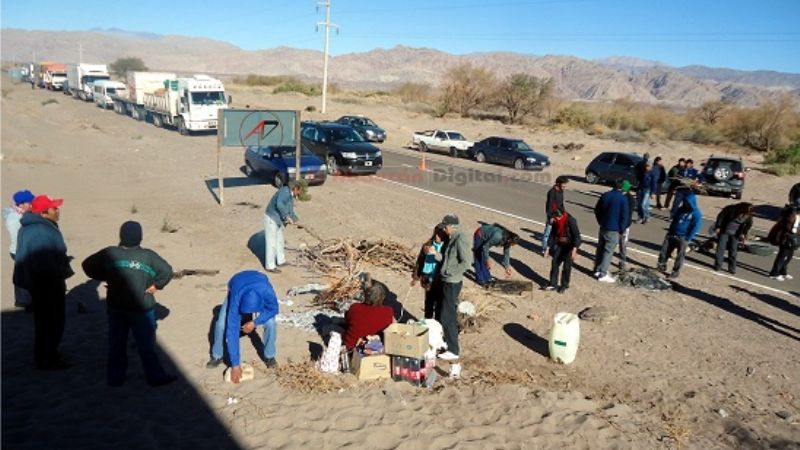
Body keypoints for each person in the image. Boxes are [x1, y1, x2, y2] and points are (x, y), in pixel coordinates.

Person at [82, 221, 177, 387]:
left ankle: (115, 378)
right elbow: (167, 271)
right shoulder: (148, 256)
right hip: (141, 308)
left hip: (116, 305)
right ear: (140, 237)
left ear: (121, 236)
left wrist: (106, 275)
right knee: (146, 345)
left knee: (116, 342)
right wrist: (156, 285)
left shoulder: (110, 253)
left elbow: (87, 265)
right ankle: (155, 376)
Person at [13, 195, 73, 370]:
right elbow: (42, 263)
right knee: (52, 322)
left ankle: (45, 355)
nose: (58, 210)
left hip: (40, 283)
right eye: (54, 208)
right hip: (46, 284)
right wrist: (58, 273)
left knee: (44, 322)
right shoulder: (40, 231)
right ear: (44, 213)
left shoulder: (36, 227)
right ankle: (48, 358)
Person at [206, 271, 280, 380]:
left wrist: (255, 322)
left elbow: (274, 309)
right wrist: (235, 365)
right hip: (237, 283)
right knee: (221, 324)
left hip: (259, 283)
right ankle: (217, 355)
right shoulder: (236, 299)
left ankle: (269, 356)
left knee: (271, 324)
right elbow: (232, 330)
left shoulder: (267, 292)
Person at [437, 214, 472, 361]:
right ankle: (448, 342)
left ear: (452, 226)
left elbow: (466, 263)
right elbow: (448, 260)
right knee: (444, 313)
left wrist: (449, 271)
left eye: (445, 226)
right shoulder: (452, 237)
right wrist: (436, 255)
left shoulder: (460, 239)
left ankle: (453, 350)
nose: (444, 229)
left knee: (447, 316)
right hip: (447, 281)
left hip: (452, 282)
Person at [657, 193, 702, 279]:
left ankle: (675, 271)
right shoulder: (681, 209)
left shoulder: (696, 214)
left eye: (687, 202)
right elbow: (675, 219)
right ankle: (661, 265)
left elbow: (696, 226)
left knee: (679, 256)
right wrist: (670, 230)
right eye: (684, 202)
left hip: (683, 237)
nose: (685, 203)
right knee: (664, 250)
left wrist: (688, 238)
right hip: (672, 233)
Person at [593, 180, 631, 283]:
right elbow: (624, 216)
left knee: (600, 249)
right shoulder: (623, 199)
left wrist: (600, 221)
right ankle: (602, 273)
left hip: (603, 226)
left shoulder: (605, 195)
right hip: (614, 229)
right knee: (608, 251)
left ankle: (597, 269)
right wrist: (622, 230)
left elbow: (597, 209)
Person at [3, 189, 35, 308]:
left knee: (23, 274)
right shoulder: (16, 219)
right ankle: (26, 302)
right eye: (29, 202)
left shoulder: (20, 214)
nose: (32, 204)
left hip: (19, 250)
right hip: (20, 250)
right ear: (21, 204)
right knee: (26, 276)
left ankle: (23, 301)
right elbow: (20, 238)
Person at [344, 279, 395, 350]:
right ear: (382, 298)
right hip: (375, 347)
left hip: (352, 345)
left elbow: (347, 321)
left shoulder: (355, 307)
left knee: (329, 325)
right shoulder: (388, 311)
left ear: (366, 296)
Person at [412, 225, 448, 321]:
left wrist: (436, 253)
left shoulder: (447, 248)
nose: (437, 237)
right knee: (428, 303)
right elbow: (420, 261)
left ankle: (437, 325)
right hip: (427, 279)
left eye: (440, 235)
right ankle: (428, 323)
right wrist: (416, 277)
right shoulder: (427, 245)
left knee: (439, 305)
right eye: (436, 234)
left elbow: (447, 262)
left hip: (440, 280)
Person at [264, 182, 301, 273]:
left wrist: (296, 221)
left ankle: (281, 260)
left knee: (280, 241)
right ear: (295, 188)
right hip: (271, 219)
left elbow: (290, 210)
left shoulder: (290, 196)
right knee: (271, 243)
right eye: (299, 191)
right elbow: (279, 204)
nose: (300, 193)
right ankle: (270, 266)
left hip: (278, 221)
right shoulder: (285, 191)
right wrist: (286, 217)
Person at [544, 209, 581, 293]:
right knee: (555, 263)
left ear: (559, 217)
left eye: (555, 218)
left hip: (570, 246)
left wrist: (575, 249)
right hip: (561, 245)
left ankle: (564, 285)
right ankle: (553, 284)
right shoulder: (556, 222)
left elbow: (577, 236)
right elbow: (552, 235)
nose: (553, 220)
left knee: (567, 267)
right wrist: (548, 247)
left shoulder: (571, 221)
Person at [713, 202, 753, 274]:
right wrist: (718, 226)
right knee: (720, 248)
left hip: (736, 234)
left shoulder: (748, 216)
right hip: (724, 231)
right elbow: (720, 217)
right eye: (748, 210)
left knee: (733, 251)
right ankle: (718, 266)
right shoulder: (730, 209)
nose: (749, 212)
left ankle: (732, 268)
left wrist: (744, 233)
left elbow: (749, 224)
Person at [768, 205, 799, 281]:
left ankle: (783, 272)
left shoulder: (796, 217)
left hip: (791, 239)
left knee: (788, 257)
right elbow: (790, 229)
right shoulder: (790, 218)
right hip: (786, 239)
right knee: (782, 256)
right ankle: (774, 273)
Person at [541, 176, 569, 256]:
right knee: (547, 233)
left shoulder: (561, 191)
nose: (565, 186)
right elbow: (549, 206)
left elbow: (561, 204)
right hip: (552, 217)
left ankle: (551, 249)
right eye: (564, 184)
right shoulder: (552, 192)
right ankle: (544, 249)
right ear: (558, 183)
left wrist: (564, 213)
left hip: (559, 216)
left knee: (555, 234)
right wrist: (551, 217)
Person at [618, 180, 636, 270]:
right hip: (624, 224)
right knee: (622, 243)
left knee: (622, 243)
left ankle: (622, 261)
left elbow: (627, 214)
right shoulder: (629, 198)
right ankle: (622, 261)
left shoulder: (627, 198)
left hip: (623, 224)